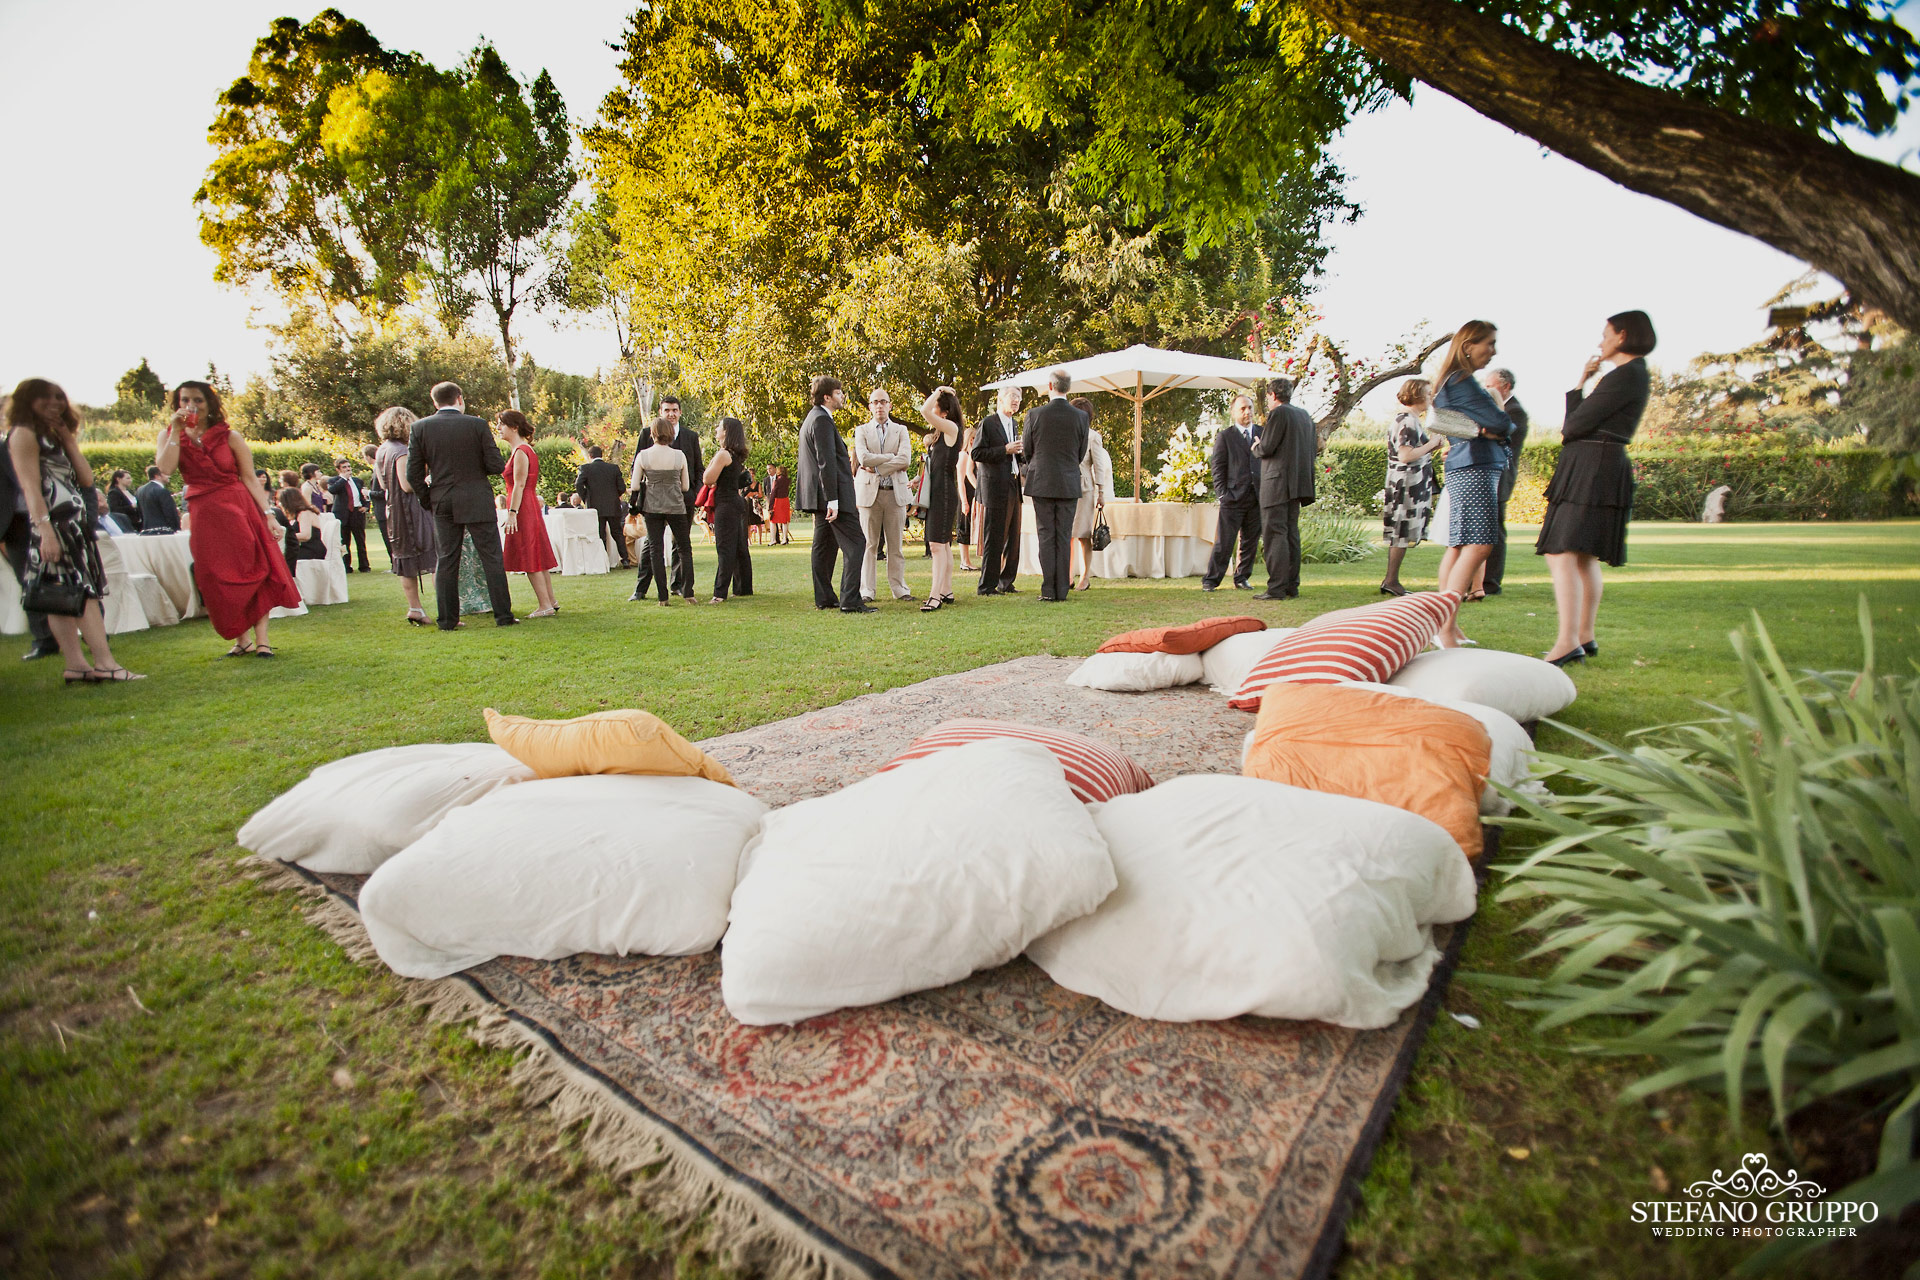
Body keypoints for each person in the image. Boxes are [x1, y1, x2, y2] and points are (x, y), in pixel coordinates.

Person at [1537, 310, 1656, 665]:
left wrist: (1579, 388)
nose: (1601, 342)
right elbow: (1577, 424)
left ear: (1622, 336)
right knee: (1584, 554)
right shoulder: (1629, 375)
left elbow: (1573, 427)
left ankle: (1567, 642)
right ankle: (1583, 637)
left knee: (1563, 551)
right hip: (1598, 462)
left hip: (1593, 465)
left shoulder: (1624, 375)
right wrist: (1581, 383)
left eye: (1605, 335)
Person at [5, 380, 141, 682]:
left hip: (72, 524)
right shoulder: (24, 434)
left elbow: (86, 478)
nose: (55, 403)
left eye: (59, 398)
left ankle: (77, 666)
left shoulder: (51, 435)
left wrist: (68, 439)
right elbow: (30, 487)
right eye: (45, 398)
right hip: (53, 524)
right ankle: (104, 663)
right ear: (28, 401)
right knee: (80, 594)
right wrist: (46, 531)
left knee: (60, 594)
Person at [155, 379, 301, 657]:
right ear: (177, 405)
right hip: (203, 513)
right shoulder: (169, 436)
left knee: (253, 569)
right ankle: (240, 639)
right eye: (185, 400)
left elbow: (249, 477)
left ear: (210, 404)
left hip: (238, 509)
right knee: (215, 576)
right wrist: (176, 429)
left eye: (198, 400)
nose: (191, 405)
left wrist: (269, 515)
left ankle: (262, 640)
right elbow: (165, 468)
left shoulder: (230, 436)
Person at [1426, 321, 1515, 646]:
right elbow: (1501, 422)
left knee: (1461, 544)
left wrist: (1492, 427)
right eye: (1488, 343)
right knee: (1479, 544)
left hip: (1467, 465)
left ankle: (1446, 625)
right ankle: (1444, 629)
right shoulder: (1463, 380)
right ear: (1467, 346)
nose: (1493, 350)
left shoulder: (1454, 380)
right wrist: (1491, 426)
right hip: (1475, 465)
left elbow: (1496, 425)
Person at [406, 381, 516, 629]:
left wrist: (429, 499)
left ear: (435, 402)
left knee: (446, 559)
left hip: (442, 498)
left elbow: (412, 474)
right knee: (491, 557)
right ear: (459, 399)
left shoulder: (420, 428)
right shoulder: (476, 424)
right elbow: (495, 465)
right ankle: (503, 616)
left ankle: (447, 620)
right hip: (476, 496)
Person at [795, 375, 872, 613]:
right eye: (838, 393)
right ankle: (850, 600)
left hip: (821, 496)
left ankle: (826, 597)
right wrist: (833, 500)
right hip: (831, 496)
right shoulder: (821, 420)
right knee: (857, 542)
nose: (842, 397)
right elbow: (825, 462)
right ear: (826, 397)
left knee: (824, 546)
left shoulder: (813, 418)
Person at [1022, 370, 1089, 602]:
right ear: (1068, 388)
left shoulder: (1034, 414)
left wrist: (1039, 467)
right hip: (1068, 481)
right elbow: (1081, 453)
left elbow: (1027, 451)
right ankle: (1062, 588)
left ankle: (1048, 589)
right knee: (1063, 535)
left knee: (1046, 536)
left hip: (1041, 481)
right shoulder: (1081, 417)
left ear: (1050, 385)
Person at [0, 394, 58, 661]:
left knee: (63, 576)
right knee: (29, 582)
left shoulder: (47, 442)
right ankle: (44, 640)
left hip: (50, 516)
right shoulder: (3, 446)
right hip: (15, 524)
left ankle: (89, 632)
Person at [1252, 377, 1317, 601]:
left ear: (1272, 395)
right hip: (1297, 484)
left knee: (1275, 533)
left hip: (1276, 483)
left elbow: (1267, 446)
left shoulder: (1279, 413)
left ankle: (1276, 587)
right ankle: (1291, 585)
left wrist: (1256, 447)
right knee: (1291, 533)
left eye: (1268, 397)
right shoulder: (1304, 416)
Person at [1380, 378, 1442, 596]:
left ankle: (1391, 580)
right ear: (1415, 394)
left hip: (1410, 484)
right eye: (1427, 394)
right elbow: (1405, 455)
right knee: (1401, 532)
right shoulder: (1406, 421)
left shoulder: (1411, 420)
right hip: (1406, 485)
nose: (1430, 398)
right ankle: (1391, 580)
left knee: (1403, 532)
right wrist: (1432, 444)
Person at [373, 406, 435, 626]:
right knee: (435, 554)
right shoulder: (402, 451)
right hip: (411, 510)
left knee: (404, 558)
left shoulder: (381, 450)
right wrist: (427, 482)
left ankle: (415, 608)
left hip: (393, 510)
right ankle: (448, 608)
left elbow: (382, 484)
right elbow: (406, 485)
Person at [496, 410, 559, 619]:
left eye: (501, 425)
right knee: (537, 552)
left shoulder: (521, 451)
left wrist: (512, 512)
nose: (498, 429)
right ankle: (550, 600)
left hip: (524, 506)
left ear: (514, 427)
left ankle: (545, 605)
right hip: (528, 504)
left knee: (530, 552)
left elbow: (519, 484)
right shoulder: (523, 449)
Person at [854, 387, 914, 604]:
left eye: (883, 401)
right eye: (875, 402)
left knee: (895, 546)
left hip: (895, 494)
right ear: (870, 406)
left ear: (890, 405)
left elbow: (905, 459)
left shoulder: (901, 430)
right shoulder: (861, 430)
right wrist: (891, 457)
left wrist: (879, 467)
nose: (879, 405)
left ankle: (899, 588)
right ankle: (867, 590)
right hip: (870, 494)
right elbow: (863, 459)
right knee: (869, 545)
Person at [1201, 393, 1261, 592]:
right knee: (1224, 542)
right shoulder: (1225, 436)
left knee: (1250, 542)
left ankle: (1242, 577)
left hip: (1257, 497)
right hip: (1233, 498)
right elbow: (1217, 468)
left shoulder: (1263, 433)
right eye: (1243, 408)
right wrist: (1222, 495)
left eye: (1250, 408)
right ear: (1234, 412)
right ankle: (1211, 580)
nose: (1247, 412)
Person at [1479, 367, 1530, 595]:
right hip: (1486, 473)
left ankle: (1491, 582)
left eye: (1490, 385)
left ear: (1505, 386)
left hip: (1500, 477)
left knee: (1495, 531)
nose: (1486, 390)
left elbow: (1504, 441)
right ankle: (1478, 580)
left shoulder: (1515, 412)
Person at [633, 415, 693, 606]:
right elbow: (685, 486)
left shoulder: (643, 456)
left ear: (653, 433)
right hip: (675, 506)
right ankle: (688, 591)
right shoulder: (679, 455)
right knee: (684, 549)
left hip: (653, 506)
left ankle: (662, 597)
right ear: (670, 433)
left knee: (655, 550)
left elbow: (635, 485)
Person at [971, 384, 1025, 595]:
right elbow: (977, 453)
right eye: (1012, 396)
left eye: (1018, 398)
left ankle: (1006, 581)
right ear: (1000, 399)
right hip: (995, 486)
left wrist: (1019, 454)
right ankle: (987, 585)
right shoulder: (988, 423)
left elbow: (1014, 455)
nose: (1016, 400)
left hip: (1013, 484)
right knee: (994, 537)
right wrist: (1004, 450)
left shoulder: (1014, 424)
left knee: (1014, 535)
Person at [916, 386, 964, 611]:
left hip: (944, 492)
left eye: (937, 406)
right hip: (938, 489)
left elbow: (924, 411)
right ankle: (946, 590)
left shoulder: (952, 427)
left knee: (936, 544)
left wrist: (937, 391)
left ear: (943, 412)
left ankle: (935, 596)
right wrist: (919, 480)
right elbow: (934, 465)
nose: (933, 410)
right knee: (943, 544)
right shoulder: (943, 433)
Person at [702, 417, 755, 602]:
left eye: (719, 427)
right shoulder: (735, 455)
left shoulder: (723, 454)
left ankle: (719, 593)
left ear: (726, 432)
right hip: (736, 502)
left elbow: (707, 479)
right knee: (740, 546)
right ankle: (743, 587)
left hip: (726, 504)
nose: (716, 429)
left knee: (725, 547)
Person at [1069, 397, 1113, 592]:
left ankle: (1085, 577)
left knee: (1083, 534)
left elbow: (1099, 466)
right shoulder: (1066, 433)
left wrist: (1101, 493)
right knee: (1067, 535)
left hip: (1085, 489)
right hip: (1066, 487)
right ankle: (1068, 575)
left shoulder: (1093, 437)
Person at [575, 444, 630, 567]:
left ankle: (603, 560)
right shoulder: (613, 468)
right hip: (613, 505)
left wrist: (586, 498)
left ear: (590, 456)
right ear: (602, 455)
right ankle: (625, 559)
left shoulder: (585, 468)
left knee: (600, 534)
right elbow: (622, 487)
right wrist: (615, 496)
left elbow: (578, 484)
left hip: (594, 506)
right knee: (617, 532)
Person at [325, 456, 373, 573]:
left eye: (348, 466)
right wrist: (343, 479)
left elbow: (364, 496)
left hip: (356, 512)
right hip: (342, 514)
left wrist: (366, 506)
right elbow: (332, 490)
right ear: (338, 469)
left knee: (360, 540)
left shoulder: (357, 481)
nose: (347, 469)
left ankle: (364, 566)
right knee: (344, 541)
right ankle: (346, 566)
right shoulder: (334, 480)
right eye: (344, 467)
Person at [277, 486, 329, 576]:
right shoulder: (297, 515)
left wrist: (286, 536)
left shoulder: (304, 513)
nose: (279, 504)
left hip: (311, 550)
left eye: (281, 501)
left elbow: (306, 535)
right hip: (305, 549)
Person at [360, 442, 390, 562]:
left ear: (368, 456)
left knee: (387, 537)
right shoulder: (378, 468)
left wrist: (368, 493)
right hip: (381, 508)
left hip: (383, 509)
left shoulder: (378, 468)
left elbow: (383, 492)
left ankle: (395, 564)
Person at [135, 465, 180, 533]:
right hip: (163, 530)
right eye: (166, 474)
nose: (169, 476)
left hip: (146, 530)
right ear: (157, 476)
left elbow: (139, 511)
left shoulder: (140, 490)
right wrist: (176, 529)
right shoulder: (162, 491)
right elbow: (170, 513)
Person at [766, 464, 792, 544]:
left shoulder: (777, 481)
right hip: (785, 500)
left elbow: (773, 493)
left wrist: (770, 506)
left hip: (778, 501)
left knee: (773, 521)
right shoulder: (788, 480)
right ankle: (784, 538)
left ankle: (773, 539)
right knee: (785, 521)